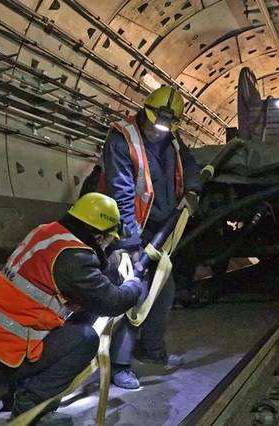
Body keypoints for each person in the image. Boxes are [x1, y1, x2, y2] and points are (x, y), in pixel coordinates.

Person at [0, 193, 148, 425]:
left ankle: (22, 385)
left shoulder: (46, 232)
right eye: (108, 241)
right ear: (98, 236)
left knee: (73, 318)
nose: (107, 246)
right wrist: (134, 283)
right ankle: (29, 405)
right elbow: (112, 303)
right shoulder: (75, 258)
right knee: (86, 339)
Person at [99, 85, 202, 389]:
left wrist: (193, 190)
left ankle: (152, 349)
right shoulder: (123, 138)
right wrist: (131, 245)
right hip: (126, 230)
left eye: (165, 128)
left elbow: (190, 163)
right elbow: (122, 194)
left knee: (164, 292)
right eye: (155, 125)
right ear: (145, 113)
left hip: (159, 231)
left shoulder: (172, 138)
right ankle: (119, 366)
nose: (158, 132)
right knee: (134, 292)